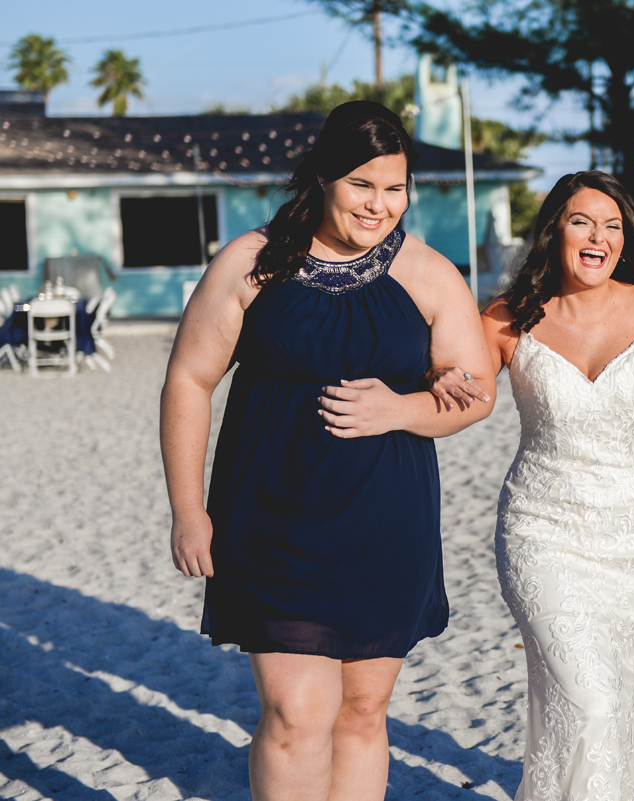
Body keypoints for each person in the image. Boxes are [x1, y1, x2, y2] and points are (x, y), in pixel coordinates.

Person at [159, 100, 495, 801]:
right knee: (294, 713)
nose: (380, 204)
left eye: (395, 187)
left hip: (385, 523)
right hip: (273, 515)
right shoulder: (252, 261)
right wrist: (187, 508)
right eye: (362, 185)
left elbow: (477, 391)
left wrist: (402, 406)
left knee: (363, 711)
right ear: (322, 178)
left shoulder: (430, 274)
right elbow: (189, 380)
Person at [417, 170, 634, 800]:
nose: (598, 237)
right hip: (542, 531)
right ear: (555, 232)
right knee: (589, 698)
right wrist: (440, 379)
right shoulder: (505, 319)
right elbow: (465, 392)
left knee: (619, 696)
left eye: (613, 225)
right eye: (582, 221)